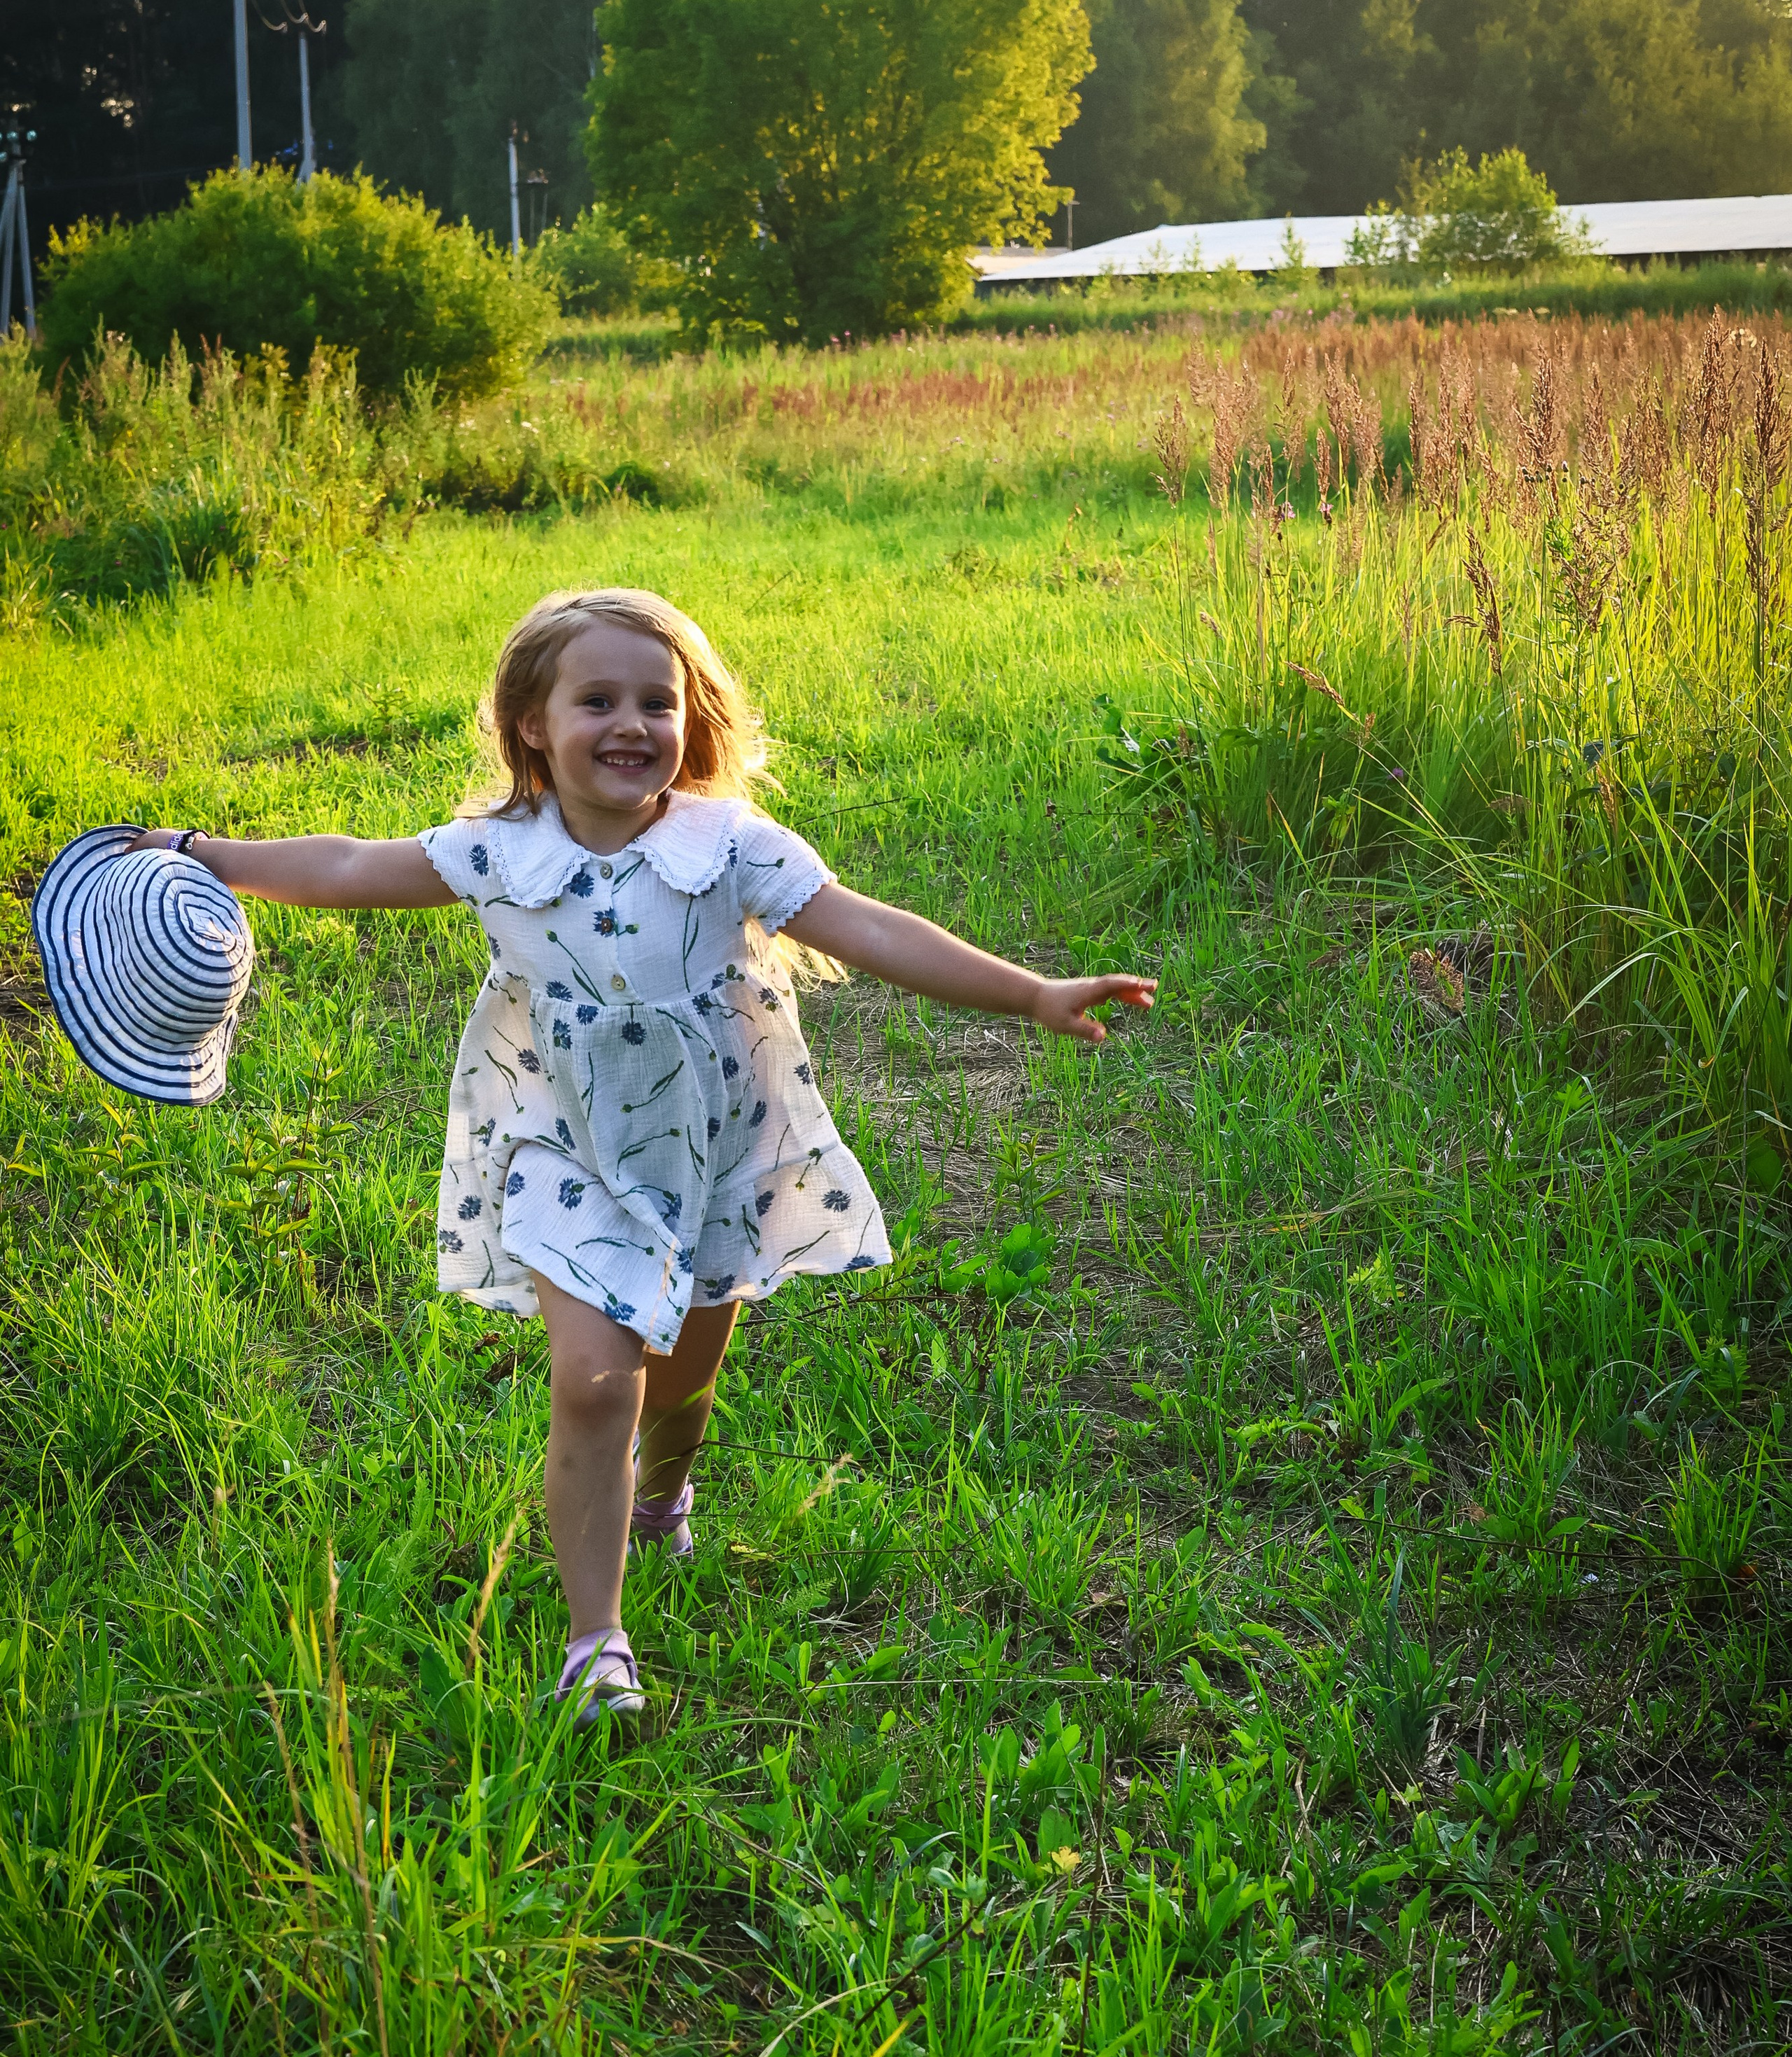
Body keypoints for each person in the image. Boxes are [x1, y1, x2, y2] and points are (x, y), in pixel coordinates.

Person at [131, 589, 1156, 1722]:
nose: (632, 723)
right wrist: (203, 853)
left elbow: (867, 927)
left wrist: (1033, 994)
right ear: (534, 722)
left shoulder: (727, 848)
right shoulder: (496, 854)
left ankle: (663, 1500)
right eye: (598, 700)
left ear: (689, 717)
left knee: (684, 1369)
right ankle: (595, 1641)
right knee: (593, 1382)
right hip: (562, 1137)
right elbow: (345, 867)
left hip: (714, 1138)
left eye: (657, 701)